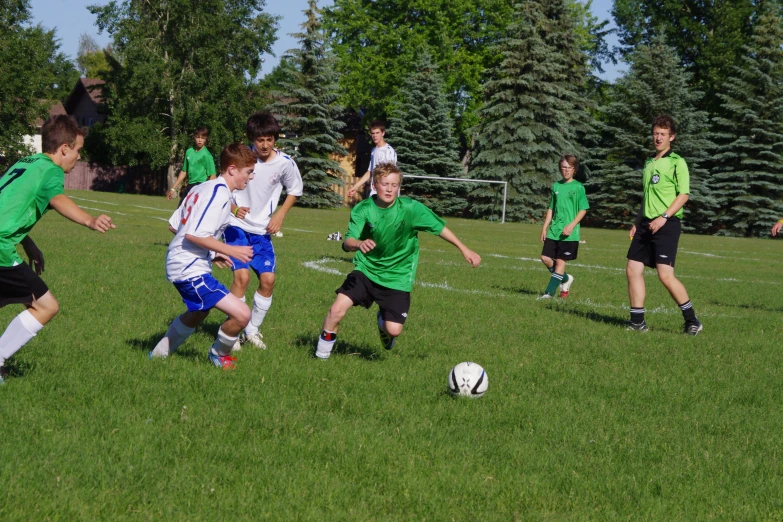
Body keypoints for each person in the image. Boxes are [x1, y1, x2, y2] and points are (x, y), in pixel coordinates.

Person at [315, 162, 481, 360]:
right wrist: (359, 244)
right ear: (375, 186)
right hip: (366, 269)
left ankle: (382, 321)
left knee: (394, 330)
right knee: (336, 309)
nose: (390, 189)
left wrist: (464, 249)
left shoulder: (410, 208)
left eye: (394, 185)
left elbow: (439, 228)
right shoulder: (363, 209)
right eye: (385, 184)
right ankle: (320, 356)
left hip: (398, 275)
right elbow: (348, 240)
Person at [0, 115, 115, 383]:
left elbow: (9, 206)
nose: (78, 157)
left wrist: (29, 244)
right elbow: (57, 197)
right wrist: (89, 220)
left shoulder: (26, 162)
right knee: (46, 305)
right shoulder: (51, 170)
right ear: (64, 148)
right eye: (78, 150)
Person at [150, 144, 256, 369]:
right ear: (232, 169)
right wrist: (230, 250)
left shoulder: (203, 188)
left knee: (199, 312)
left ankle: (158, 357)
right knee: (242, 314)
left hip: (184, 263)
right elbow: (193, 233)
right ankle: (218, 354)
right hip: (188, 267)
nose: (251, 177)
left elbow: (175, 225)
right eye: (248, 172)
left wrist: (213, 251)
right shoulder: (218, 194)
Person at [224, 111, 303, 350]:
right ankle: (232, 331)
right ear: (251, 139)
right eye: (260, 140)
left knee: (268, 280)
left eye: (270, 139)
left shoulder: (285, 163)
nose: (265, 145)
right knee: (242, 277)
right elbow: (221, 185)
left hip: (262, 230)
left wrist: (280, 214)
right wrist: (233, 207)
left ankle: (252, 330)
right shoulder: (241, 158)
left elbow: (295, 190)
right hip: (236, 227)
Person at [626, 115, 702, 335]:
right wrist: (637, 221)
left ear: (672, 137)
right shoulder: (650, 162)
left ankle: (692, 321)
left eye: (663, 134)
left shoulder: (677, 162)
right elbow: (647, 196)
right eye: (655, 133)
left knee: (665, 275)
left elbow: (684, 195)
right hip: (645, 224)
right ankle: (637, 322)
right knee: (633, 269)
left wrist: (664, 217)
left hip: (667, 224)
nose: (658, 138)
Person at [538, 155, 589, 299]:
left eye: (569, 168)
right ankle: (566, 279)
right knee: (545, 258)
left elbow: (583, 209)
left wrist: (571, 225)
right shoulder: (556, 186)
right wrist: (544, 227)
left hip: (569, 233)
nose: (565, 170)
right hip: (554, 230)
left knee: (560, 261)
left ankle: (549, 293)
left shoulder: (578, 187)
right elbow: (551, 208)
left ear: (574, 170)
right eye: (563, 167)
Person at [167, 127, 217, 205]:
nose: (200, 140)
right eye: (198, 137)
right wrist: (173, 188)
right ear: (194, 137)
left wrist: (208, 192)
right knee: (181, 209)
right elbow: (184, 172)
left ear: (206, 139)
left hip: (201, 186)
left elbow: (213, 176)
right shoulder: (189, 152)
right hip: (190, 186)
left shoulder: (207, 155)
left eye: (203, 138)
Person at [347, 120, 397, 199]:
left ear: (383, 133)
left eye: (377, 133)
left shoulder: (388, 151)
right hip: (374, 192)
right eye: (373, 133)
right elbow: (370, 172)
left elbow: (391, 174)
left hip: (385, 194)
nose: (375, 136)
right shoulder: (374, 150)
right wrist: (355, 187)